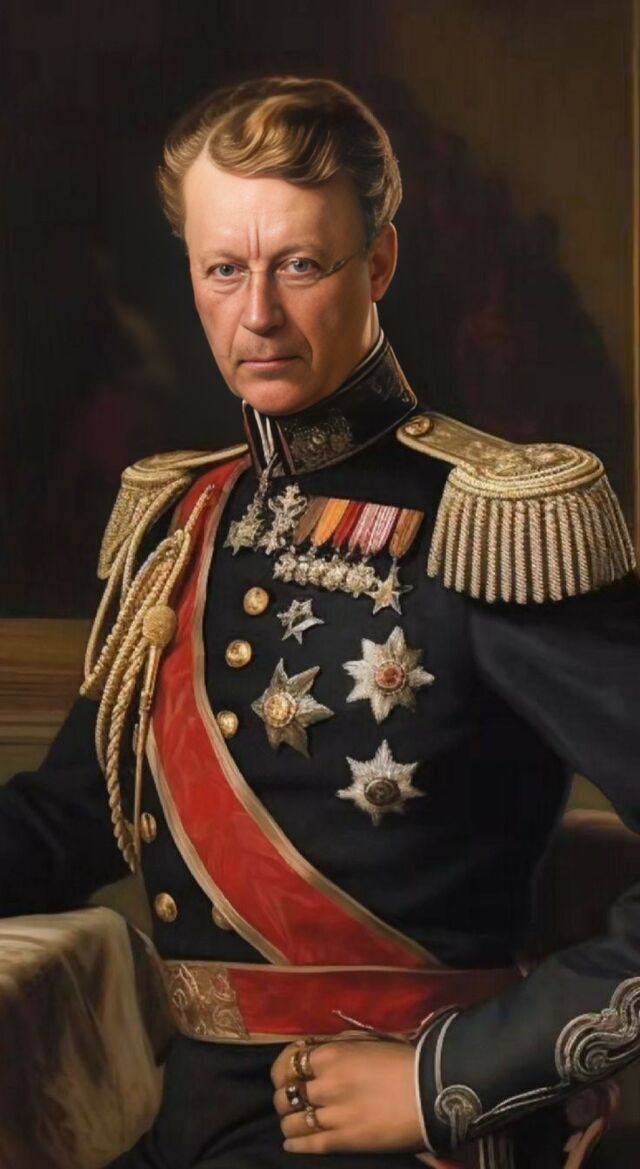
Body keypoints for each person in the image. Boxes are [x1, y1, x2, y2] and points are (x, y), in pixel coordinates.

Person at [1, 75, 640, 1169]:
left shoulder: (493, 522)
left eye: (299, 264)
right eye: (223, 269)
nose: (257, 313)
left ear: (378, 263)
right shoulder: (181, 516)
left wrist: (455, 1076)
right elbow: (76, 816)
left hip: (412, 1138)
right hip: (187, 1126)